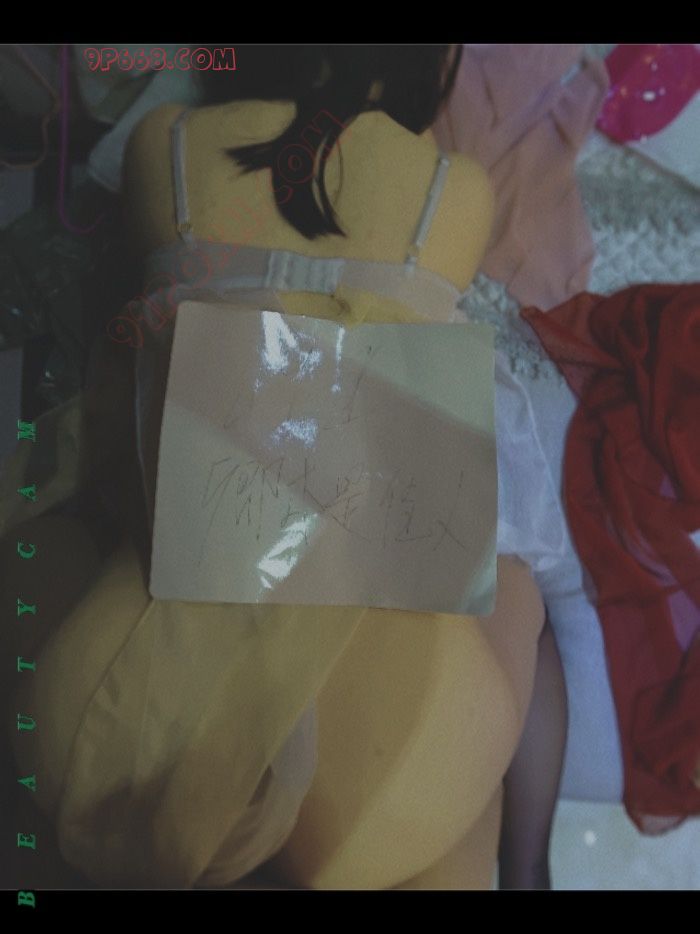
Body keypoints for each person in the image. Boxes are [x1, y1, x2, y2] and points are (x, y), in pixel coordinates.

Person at [6, 44, 567, 890]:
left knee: (51, 545)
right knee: (520, 594)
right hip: (401, 746)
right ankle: (514, 866)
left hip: (134, 719)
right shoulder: (456, 186)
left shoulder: (166, 143)